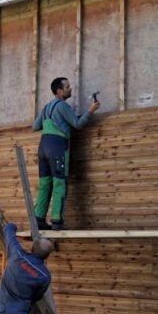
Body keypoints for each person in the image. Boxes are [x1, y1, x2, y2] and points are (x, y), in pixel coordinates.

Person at [32, 77, 100, 230]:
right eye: (67, 87)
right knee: (59, 184)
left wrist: (56, 122)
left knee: (44, 184)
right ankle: (57, 222)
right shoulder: (62, 106)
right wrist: (90, 111)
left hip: (43, 148)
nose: (70, 89)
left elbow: (35, 126)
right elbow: (78, 124)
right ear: (59, 91)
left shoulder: (46, 107)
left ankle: (39, 220)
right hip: (57, 147)